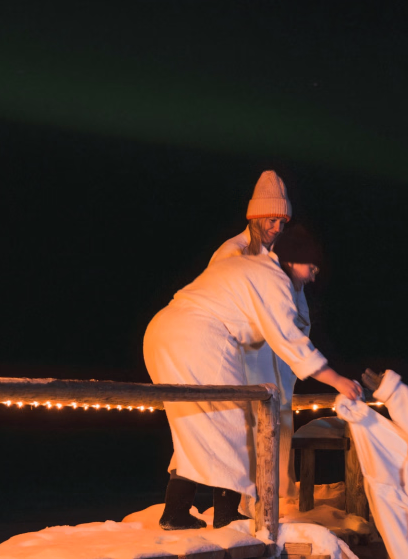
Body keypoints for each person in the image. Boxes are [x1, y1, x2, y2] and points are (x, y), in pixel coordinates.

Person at [143, 170, 360, 529]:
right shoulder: (254, 265)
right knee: (236, 425)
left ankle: (176, 511)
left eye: (282, 221)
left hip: (166, 331)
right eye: (311, 268)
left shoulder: (266, 265)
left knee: (195, 423)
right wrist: (335, 378)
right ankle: (229, 518)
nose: (314, 276)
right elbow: (287, 335)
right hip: (201, 339)